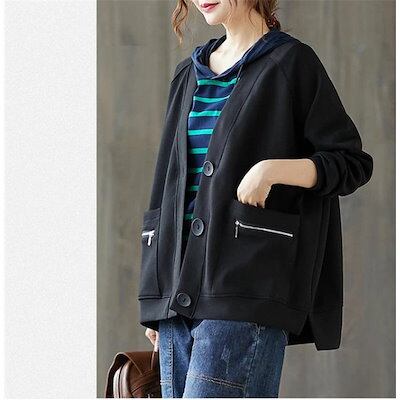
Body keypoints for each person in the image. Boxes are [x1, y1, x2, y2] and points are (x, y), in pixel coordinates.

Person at [138, 0, 373, 398]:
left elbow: (350, 162)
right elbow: (168, 187)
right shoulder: (186, 75)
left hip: (246, 287)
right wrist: (158, 296)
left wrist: (272, 171)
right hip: (177, 296)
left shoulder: (290, 63)